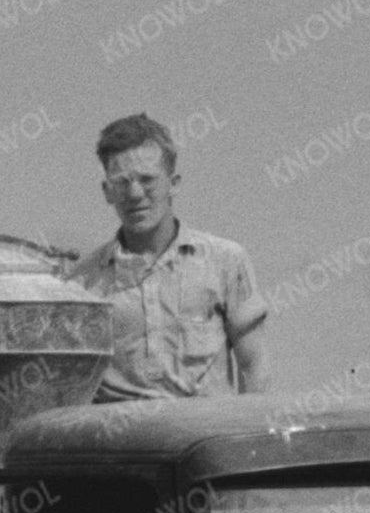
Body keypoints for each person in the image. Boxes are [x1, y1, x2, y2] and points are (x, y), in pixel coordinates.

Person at [70, 111, 267, 398]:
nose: (135, 193)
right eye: (122, 182)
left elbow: (255, 364)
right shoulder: (82, 284)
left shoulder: (225, 261)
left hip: (204, 436)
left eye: (147, 180)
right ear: (107, 191)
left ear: (174, 183)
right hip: (117, 440)